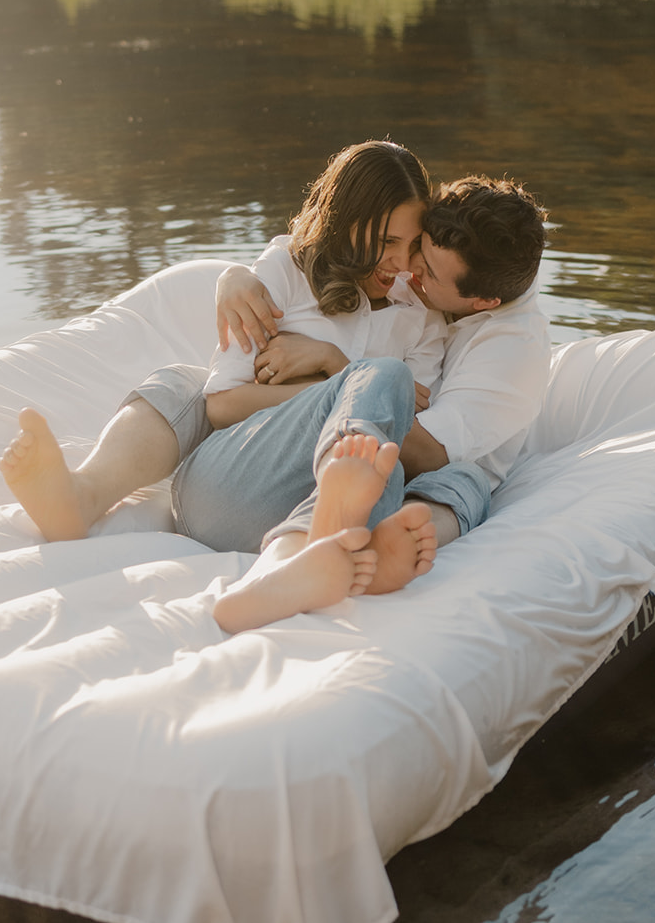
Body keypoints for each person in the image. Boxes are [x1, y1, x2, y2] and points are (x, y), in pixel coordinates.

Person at [0, 139, 445, 560]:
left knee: (400, 403)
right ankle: (83, 495)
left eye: (412, 246)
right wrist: (335, 387)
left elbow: (404, 428)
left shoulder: (419, 317)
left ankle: (312, 546)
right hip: (230, 481)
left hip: (325, 496)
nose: (402, 264)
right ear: (346, 220)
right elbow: (223, 406)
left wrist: (332, 363)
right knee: (186, 383)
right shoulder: (286, 272)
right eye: (387, 242)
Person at [211, 174, 551, 632]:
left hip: (429, 468)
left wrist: (340, 365)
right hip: (357, 444)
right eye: (418, 251)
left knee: (466, 483)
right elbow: (323, 241)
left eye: (429, 272)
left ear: (483, 301)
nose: (409, 272)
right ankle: (336, 545)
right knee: (373, 422)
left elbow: (428, 452)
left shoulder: (514, 351)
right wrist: (234, 277)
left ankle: (355, 551)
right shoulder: (416, 279)